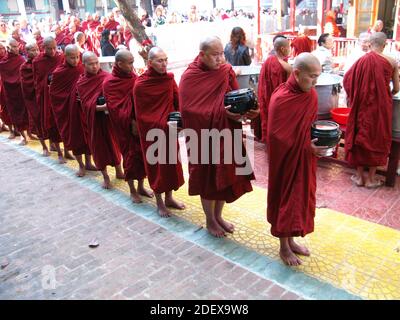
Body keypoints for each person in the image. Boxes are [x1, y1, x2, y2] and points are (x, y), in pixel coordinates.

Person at [179, 36, 258, 237]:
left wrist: (247, 109)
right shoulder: (190, 76)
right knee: (208, 178)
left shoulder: (225, 70)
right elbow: (189, 110)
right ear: (202, 55)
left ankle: (219, 216)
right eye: (215, 55)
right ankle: (210, 220)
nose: (220, 59)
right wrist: (222, 112)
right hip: (202, 136)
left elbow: (234, 95)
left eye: (222, 53)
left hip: (226, 132)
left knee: (225, 176)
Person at [267, 53, 323, 266]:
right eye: (312, 77)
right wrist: (304, 145)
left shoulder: (311, 95)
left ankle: (291, 241)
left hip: (304, 158)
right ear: (297, 74)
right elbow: (277, 136)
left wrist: (315, 144)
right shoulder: (281, 98)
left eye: (318, 76)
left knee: (299, 199)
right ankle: (283, 247)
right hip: (286, 160)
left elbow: (309, 126)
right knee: (286, 198)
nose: (315, 82)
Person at [343, 32, 400, 188]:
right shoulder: (392, 61)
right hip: (381, 109)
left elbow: (347, 81)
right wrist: (384, 93)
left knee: (361, 136)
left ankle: (360, 177)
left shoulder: (361, 61)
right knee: (377, 138)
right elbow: (396, 88)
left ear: (370, 43)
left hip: (361, 107)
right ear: (384, 44)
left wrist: (354, 96)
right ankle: (371, 179)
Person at [134, 47, 185, 217]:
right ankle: (159, 202)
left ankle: (169, 198)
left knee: (171, 165)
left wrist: (180, 121)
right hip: (152, 132)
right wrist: (161, 124)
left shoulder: (169, 79)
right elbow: (142, 114)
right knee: (156, 166)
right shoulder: (141, 84)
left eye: (165, 60)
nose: (164, 64)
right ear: (149, 62)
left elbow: (177, 101)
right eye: (159, 61)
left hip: (169, 129)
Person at [103, 49, 153, 203]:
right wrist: (131, 122)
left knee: (141, 156)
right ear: (119, 63)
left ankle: (141, 186)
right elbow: (115, 107)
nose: (132, 66)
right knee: (130, 157)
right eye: (130, 63)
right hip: (124, 127)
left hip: (138, 123)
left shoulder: (133, 77)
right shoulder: (110, 83)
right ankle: (132, 191)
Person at [77, 51, 124, 189]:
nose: (94, 66)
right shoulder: (81, 83)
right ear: (84, 65)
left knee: (114, 144)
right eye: (90, 64)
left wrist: (111, 105)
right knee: (99, 148)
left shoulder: (106, 77)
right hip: (94, 120)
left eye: (96, 63)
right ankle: (105, 177)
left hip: (108, 119)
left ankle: (119, 171)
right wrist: (101, 107)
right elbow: (85, 105)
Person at [49, 44, 96, 177]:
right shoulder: (59, 72)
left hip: (83, 110)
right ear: (65, 56)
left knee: (87, 137)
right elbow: (54, 93)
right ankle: (81, 165)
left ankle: (88, 162)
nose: (75, 61)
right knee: (75, 138)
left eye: (77, 57)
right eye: (72, 58)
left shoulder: (82, 68)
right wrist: (71, 97)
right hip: (69, 111)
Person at [32, 36, 67, 163]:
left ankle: (66, 150)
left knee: (63, 124)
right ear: (43, 48)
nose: (52, 51)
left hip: (60, 96)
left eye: (54, 48)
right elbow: (37, 81)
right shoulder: (37, 61)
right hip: (46, 97)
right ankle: (59, 152)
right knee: (51, 123)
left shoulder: (60, 57)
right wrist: (46, 82)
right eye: (49, 49)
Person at [258, 37, 292, 143]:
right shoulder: (286, 67)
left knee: (267, 119)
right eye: (288, 47)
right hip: (279, 101)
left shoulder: (268, 61)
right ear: (282, 49)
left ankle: (267, 140)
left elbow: (261, 82)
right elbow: (289, 88)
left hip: (266, 98)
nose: (290, 49)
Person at [20, 42, 50, 154]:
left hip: (46, 97)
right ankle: (44, 147)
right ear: (26, 52)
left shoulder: (44, 62)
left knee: (50, 120)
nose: (36, 52)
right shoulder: (24, 67)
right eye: (32, 50)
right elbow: (26, 85)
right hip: (33, 99)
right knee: (38, 121)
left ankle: (53, 144)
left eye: (37, 49)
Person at [0, 38, 29, 145]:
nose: (17, 48)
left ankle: (28, 134)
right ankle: (23, 136)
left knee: (25, 112)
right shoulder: (3, 62)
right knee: (14, 113)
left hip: (21, 91)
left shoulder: (21, 59)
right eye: (14, 47)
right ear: (9, 48)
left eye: (18, 46)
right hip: (9, 91)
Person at [0, 42, 12, 133]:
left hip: (7, 85)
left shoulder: (8, 59)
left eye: (3, 48)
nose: (2, 51)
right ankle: (3, 124)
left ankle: (11, 128)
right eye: (0, 49)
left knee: (8, 107)